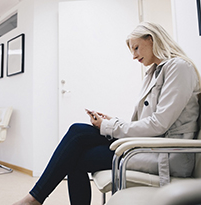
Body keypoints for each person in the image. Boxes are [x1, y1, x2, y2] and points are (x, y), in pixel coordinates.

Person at [13, 22, 200, 205]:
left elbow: (159, 124)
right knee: (78, 130)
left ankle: (34, 199)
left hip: (167, 153)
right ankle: (34, 199)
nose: (134, 56)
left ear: (151, 40)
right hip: (151, 145)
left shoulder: (179, 67)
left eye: (136, 48)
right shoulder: (154, 73)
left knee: (74, 157)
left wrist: (108, 126)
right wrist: (111, 122)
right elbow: (149, 122)